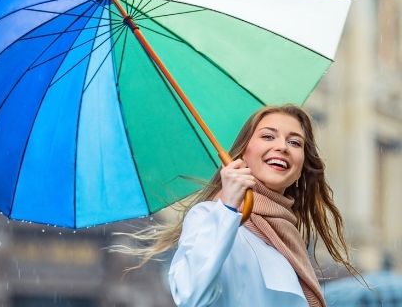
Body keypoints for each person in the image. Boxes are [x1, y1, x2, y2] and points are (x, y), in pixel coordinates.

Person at [124, 105, 360, 307]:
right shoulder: (211, 217)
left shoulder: (289, 239)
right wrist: (228, 207)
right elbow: (190, 294)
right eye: (268, 136)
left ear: (300, 169)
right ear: (242, 155)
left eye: (294, 142)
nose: (282, 146)